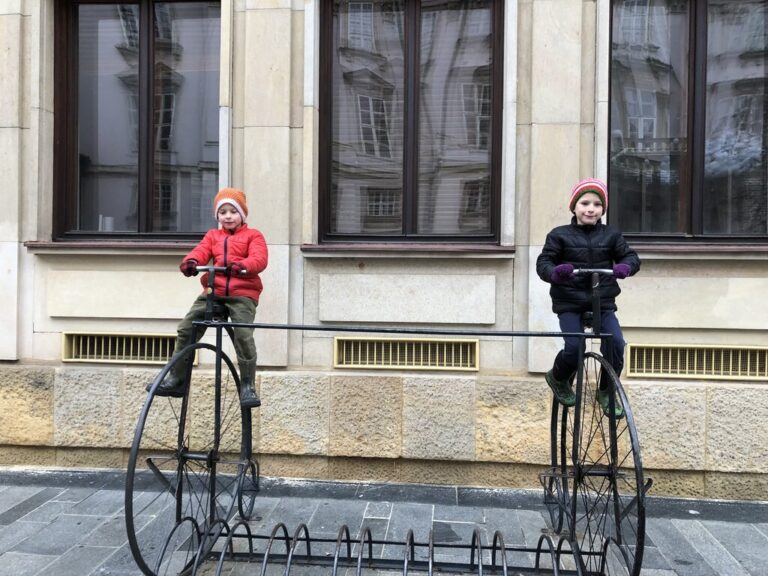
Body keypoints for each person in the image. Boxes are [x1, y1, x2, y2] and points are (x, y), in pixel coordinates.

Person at [150, 187, 269, 408]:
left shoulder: (254, 236)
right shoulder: (213, 236)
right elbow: (201, 251)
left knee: (243, 335)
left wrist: (242, 266)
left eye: (232, 211)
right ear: (217, 216)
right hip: (214, 292)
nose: (227, 216)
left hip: (242, 294)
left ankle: (247, 385)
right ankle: (177, 378)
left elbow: (259, 259)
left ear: (242, 214)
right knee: (187, 327)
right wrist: (191, 262)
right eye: (222, 212)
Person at [535, 178, 640, 416]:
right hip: (569, 301)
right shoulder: (559, 235)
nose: (590, 209)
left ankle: (606, 390)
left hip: (602, 301)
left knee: (615, 344)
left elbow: (631, 257)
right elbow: (544, 263)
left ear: (603, 209)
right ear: (574, 206)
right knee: (574, 347)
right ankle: (558, 377)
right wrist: (556, 273)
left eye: (596, 204)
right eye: (584, 203)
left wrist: (626, 267)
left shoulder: (611, 235)